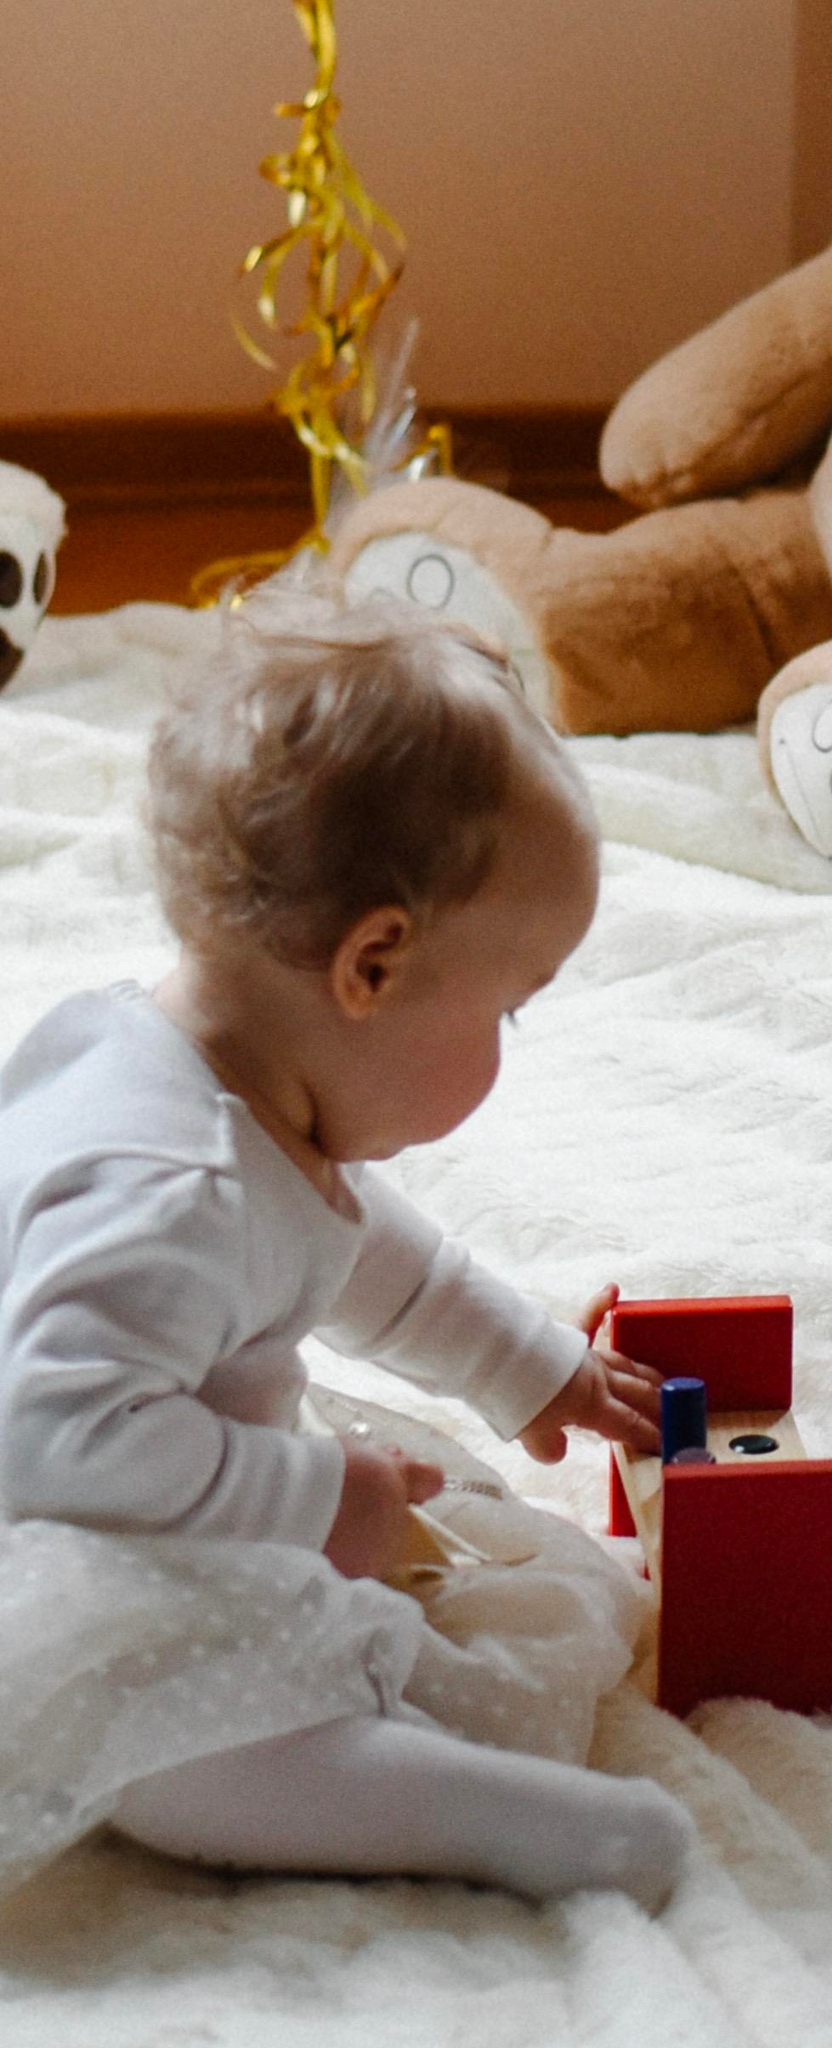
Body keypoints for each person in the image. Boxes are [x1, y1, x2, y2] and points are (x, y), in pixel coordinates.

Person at [0, 591, 689, 1908]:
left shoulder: (228, 1090)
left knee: (454, 1543)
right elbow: (52, 1444)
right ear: (372, 964)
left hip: (151, 1476)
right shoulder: (166, 1186)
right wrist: (311, 1498)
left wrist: (529, 1364)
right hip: (52, 1545)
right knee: (204, 1747)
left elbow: (357, 1248)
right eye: (511, 1010)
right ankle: (489, 1825)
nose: (508, 1042)